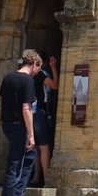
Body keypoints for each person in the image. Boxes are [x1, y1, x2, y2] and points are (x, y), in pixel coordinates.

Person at [0, 49, 42, 196]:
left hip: (7, 125)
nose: (38, 72)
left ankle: (18, 194)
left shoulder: (8, 78)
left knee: (30, 155)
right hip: (19, 127)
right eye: (39, 68)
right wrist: (31, 134)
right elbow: (26, 108)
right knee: (14, 168)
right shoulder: (27, 81)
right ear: (34, 64)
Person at [31, 53, 59, 186]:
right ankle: (47, 179)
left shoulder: (23, 74)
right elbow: (54, 86)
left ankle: (36, 178)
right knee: (44, 147)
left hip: (27, 113)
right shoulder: (40, 74)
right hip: (38, 113)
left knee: (35, 147)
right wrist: (54, 68)